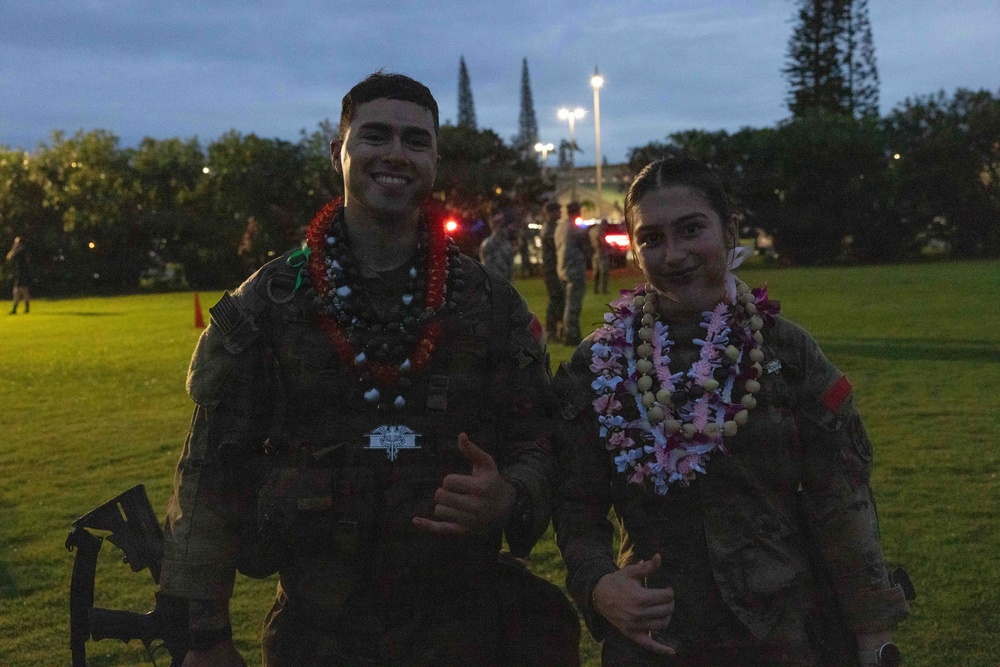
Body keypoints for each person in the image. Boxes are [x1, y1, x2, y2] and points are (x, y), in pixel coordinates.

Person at [159, 72, 572, 667]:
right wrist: (204, 636)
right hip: (317, 631)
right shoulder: (270, 304)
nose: (396, 156)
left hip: (466, 625)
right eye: (375, 136)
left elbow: (542, 438)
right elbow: (209, 476)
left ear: (435, 159)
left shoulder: (489, 302)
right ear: (340, 153)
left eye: (416, 141)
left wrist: (509, 496)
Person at [553, 157, 910, 666]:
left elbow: (842, 502)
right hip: (656, 636)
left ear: (729, 231)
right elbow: (573, 500)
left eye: (691, 229)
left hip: (783, 633)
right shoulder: (601, 363)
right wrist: (599, 583)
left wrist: (872, 631)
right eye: (652, 239)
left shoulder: (787, 353)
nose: (674, 255)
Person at [554, 201, 589, 346]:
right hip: (574, 268)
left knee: (566, 303)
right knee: (573, 305)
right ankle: (571, 335)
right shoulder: (574, 227)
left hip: (562, 268)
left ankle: (563, 331)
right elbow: (584, 238)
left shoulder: (560, 227)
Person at [541, 200, 567, 343]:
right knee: (555, 300)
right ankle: (551, 332)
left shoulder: (553, 227)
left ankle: (556, 330)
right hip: (551, 270)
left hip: (554, 269)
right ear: (550, 213)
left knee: (559, 300)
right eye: (557, 210)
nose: (560, 213)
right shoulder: (549, 230)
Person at [480, 209, 515, 281]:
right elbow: (485, 264)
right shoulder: (487, 244)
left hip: (506, 280)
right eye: (498, 224)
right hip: (493, 280)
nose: (500, 228)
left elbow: (510, 265)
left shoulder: (507, 244)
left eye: (501, 225)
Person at [6, 236, 32, 314]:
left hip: (21, 273)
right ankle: (26, 308)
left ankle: (15, 309)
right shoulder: (24, 250)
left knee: (17, 291)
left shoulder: (19, 251)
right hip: (24, 272)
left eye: (16, 242)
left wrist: (13, 249)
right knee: (24, 290)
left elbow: (8, 257)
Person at [589, 219, 611, 295]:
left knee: (596, 272)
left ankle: (595, 289)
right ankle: (603, 289)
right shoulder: (600, 230)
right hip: (601, 252)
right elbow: (601, 241)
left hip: (594, 253)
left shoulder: (592, 230)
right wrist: (608, 247)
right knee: (604, 271)